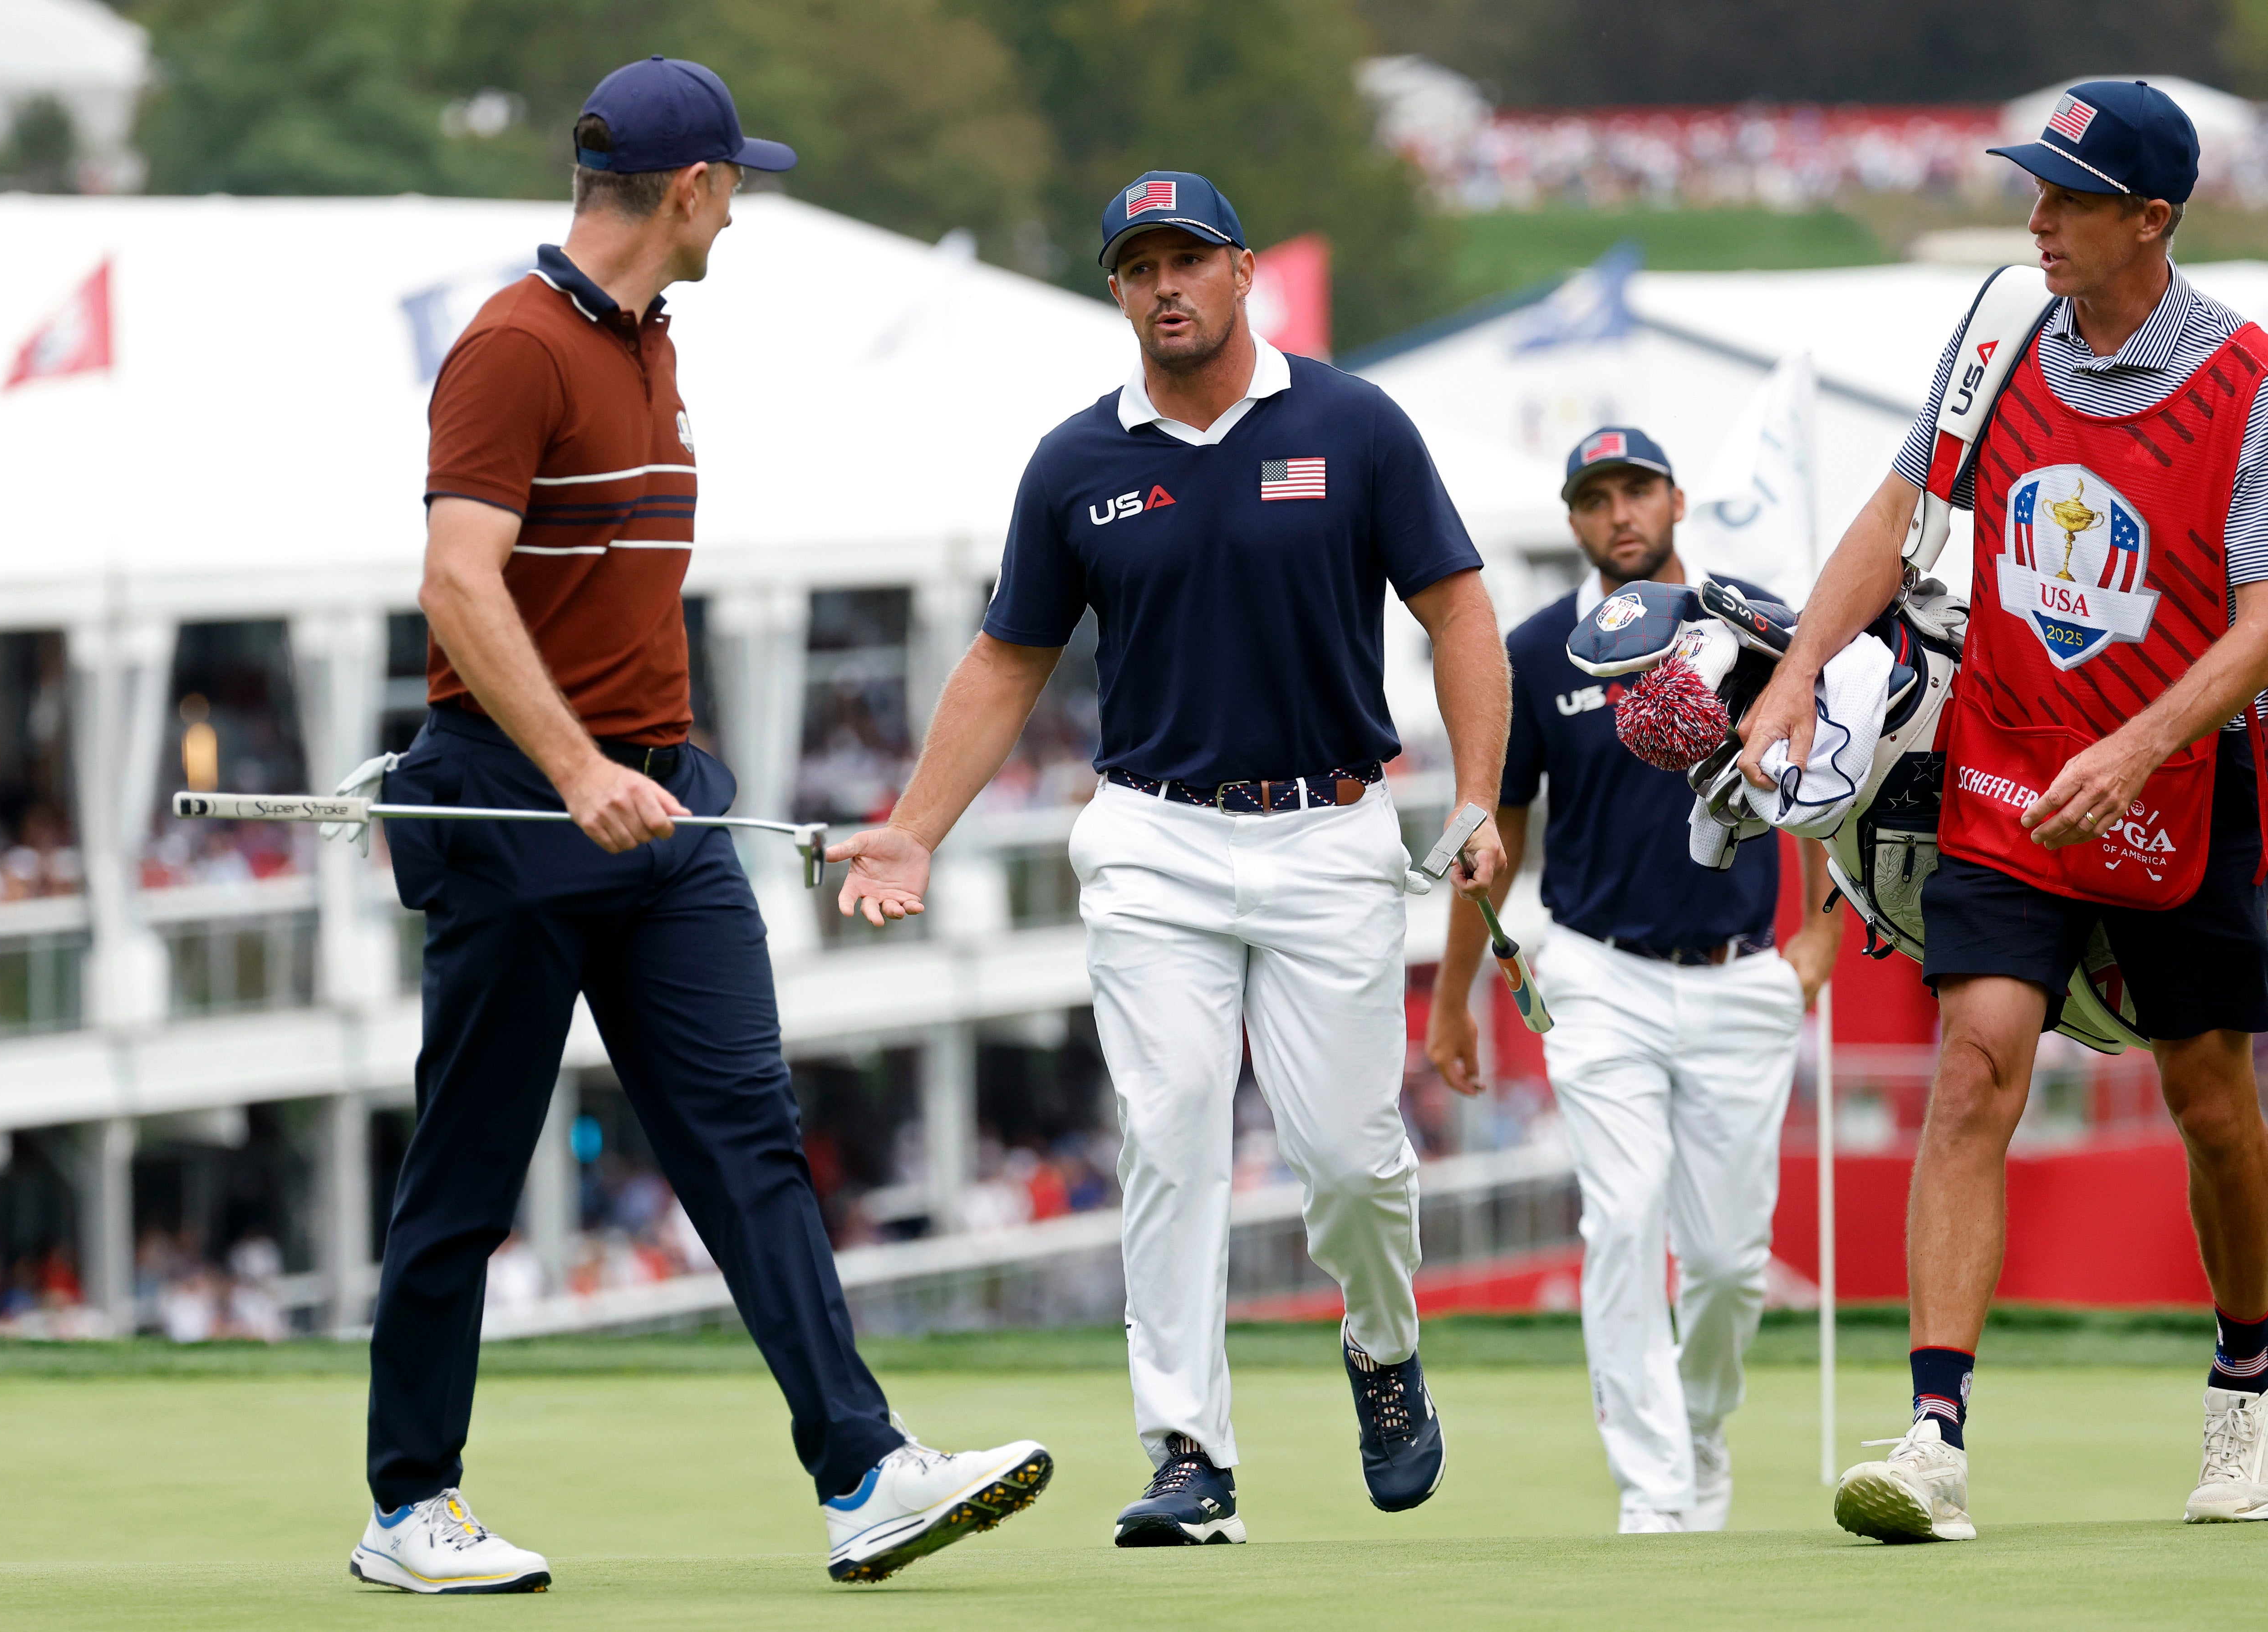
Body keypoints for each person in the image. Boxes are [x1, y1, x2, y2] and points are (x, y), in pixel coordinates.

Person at [352, 57, 1050, 1595]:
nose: (741, 206)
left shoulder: (654, 344)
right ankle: (409, 1502)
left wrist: (630, 772)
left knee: (747, 1140)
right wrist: (572, 766)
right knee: (464, 1175)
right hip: (514, 802)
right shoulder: (509, 346)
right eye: (735, 181)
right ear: (690, 193)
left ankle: (861, 1469)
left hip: (665, 805)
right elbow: (458, 583)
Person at [828, 171, 1511, 1544]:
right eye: (1137, 267)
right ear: (1116, 290)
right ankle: (1190, 1453)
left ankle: (1380, 1348)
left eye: (1186, 259)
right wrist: (914, 823)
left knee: (1347, 1154)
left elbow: (1458, 609)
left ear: (1241, 269)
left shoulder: (1354, 423)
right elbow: (1004, 658)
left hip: (1328, 831)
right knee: (1170, 1131)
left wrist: (1481, 795)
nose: (1165, 286)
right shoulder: (1076, 463)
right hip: (1150, 838)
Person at [1736, 80, 2268, 1542]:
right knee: (1975, 1064)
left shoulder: (2247, 381)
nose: (2033, 218)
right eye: (2031, 189)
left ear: (2151, 221)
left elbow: (2260, 625)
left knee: (2209, 1096)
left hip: (2181, 777)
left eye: (2069, 199)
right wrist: (1796, 675)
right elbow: (1899, 512)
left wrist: (2144, 739)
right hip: (2003, 765)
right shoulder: (1994, 337)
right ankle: (1933, 1433)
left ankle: (2248, 1380)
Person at [1425, 428, 1841, 1533]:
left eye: (1637, 489)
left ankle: (1699, 1434)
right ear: (1573, 519)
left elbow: (1821, 770)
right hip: (1598, 975)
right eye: (1596, 496)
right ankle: (1655, 1490)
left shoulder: (1752, 620)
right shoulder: (1536, 648)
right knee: (1620, 1220)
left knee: (1725, 1262)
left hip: (1740, 976)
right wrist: (1454, 992)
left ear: (1675, 497)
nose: (1619, 512)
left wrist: (1822, 937)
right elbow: (1493, 831)